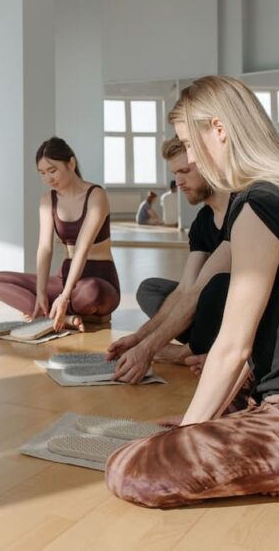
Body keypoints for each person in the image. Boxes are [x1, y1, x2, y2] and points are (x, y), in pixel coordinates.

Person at [105, 76, 279, 508]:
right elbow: (247, 328)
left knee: (130, 469)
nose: (191, 158)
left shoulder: (259, 204)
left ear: (218, 129)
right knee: (173, 435)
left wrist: (190, 434)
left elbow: (234, 346)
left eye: (188, 141)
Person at [106, 136, 231, 383]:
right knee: (150, 289)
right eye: (176, 173)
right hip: (210, 313)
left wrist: (148, 349)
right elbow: (186, 288)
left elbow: (197, 293)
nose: (179, 182)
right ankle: (204, 347)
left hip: (243, 313)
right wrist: (139, 338)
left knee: (213, 289)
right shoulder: (202, 222)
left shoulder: (242, 208)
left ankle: (187, 352)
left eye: (185, 171)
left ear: (210, 165)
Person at [0, 137, 120, 332]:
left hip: (98, 279)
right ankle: (61, 316)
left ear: (71, 164)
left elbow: (82, 248)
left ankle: (53, 310)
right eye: (42, 173)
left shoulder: (96, 195)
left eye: (52, 170)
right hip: (64, 278)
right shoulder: (48, 200)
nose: (48, 179)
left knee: (92, 291)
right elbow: (45, 248)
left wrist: (65, 296)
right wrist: (41, 292)